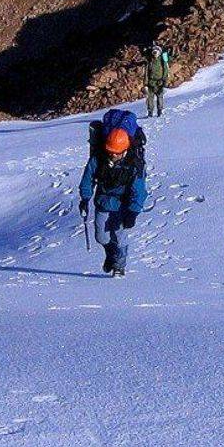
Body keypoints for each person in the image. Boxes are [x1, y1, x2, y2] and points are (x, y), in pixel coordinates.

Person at [78, 110, 148, 277]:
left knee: (120, 237)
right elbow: (88, 178)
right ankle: (111, 253)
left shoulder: (133, 164)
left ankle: (119, 267)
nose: (112, 155)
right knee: (101, 237)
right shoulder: (98, 158)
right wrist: (85, 198)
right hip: (103, 202)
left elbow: (139, 191)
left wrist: (133, 212)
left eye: (115, 153)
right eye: (110, 151)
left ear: (124, 150)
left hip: (122, 206)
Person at [144, 43, 170, 118]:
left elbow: (166, 71)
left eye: (157, 51)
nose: (155, 52)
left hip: (160, 82)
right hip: (151, 82)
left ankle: (160, 111)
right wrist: (145, 84)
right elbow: (146, 73)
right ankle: (150, 112)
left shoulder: (163, 61)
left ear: (160, 52)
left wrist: (165, 83)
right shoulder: (150, 61)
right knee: (149, 98)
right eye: (154, 51)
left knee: (160, 97)